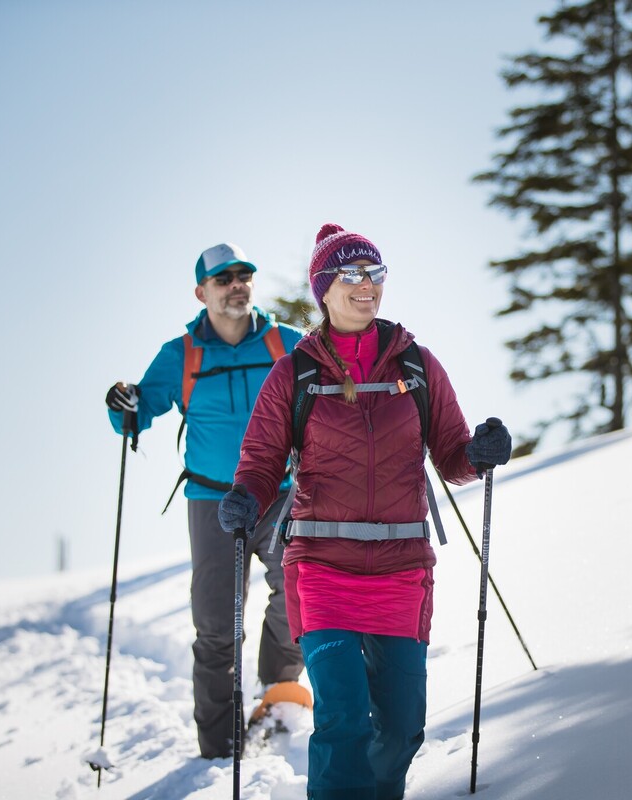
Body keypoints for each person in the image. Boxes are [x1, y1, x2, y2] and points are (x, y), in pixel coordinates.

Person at [217, 223, 512, 799]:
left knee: (402, 728)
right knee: (343, 718)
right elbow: (259, 461)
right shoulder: (295, 373)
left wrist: (479, 453)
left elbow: (451, 454)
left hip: (402, 571)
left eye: (374, 274)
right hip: (322, 567)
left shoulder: (417, 366)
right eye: (350, 275)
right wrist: (245, 498)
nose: (365, 286)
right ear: (324, 288)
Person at [104, 242, 309, 760]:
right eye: (224, 279)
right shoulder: (181, 354)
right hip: (212, 500)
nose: (236, 284)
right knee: (217, 623)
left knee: (299, 588)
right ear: (202, 292)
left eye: (244, 275)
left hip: (283, 492)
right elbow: (138, 411)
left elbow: (333, 391)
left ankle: (279, 691)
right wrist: (121, 403)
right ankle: (220, 746)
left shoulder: (286, 344)